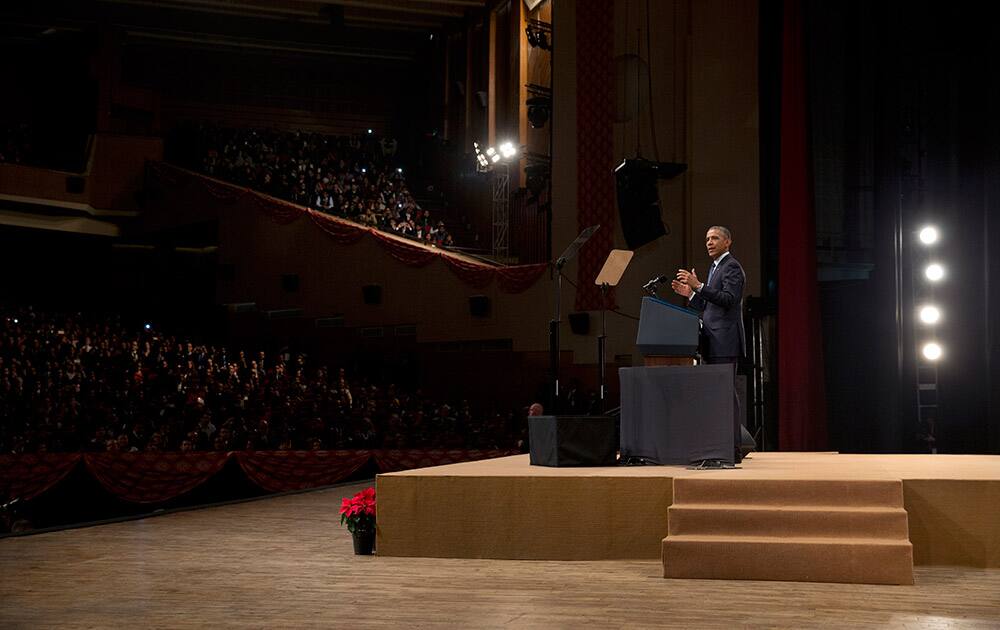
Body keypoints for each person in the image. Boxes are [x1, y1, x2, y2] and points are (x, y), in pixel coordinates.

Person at [672, 225, 747, 462]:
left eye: (715, 238)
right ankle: (718, 447)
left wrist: (699, 286)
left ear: (728, 242)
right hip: (711, 341)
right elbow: (709, 307)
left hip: (724, 341)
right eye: (706, 239)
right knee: (715, 396)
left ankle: (733, 449)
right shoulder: (715, 268)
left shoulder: (731, 266)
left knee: (725, 396)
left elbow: (729, 300)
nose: (709, 242)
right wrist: (692, 295)